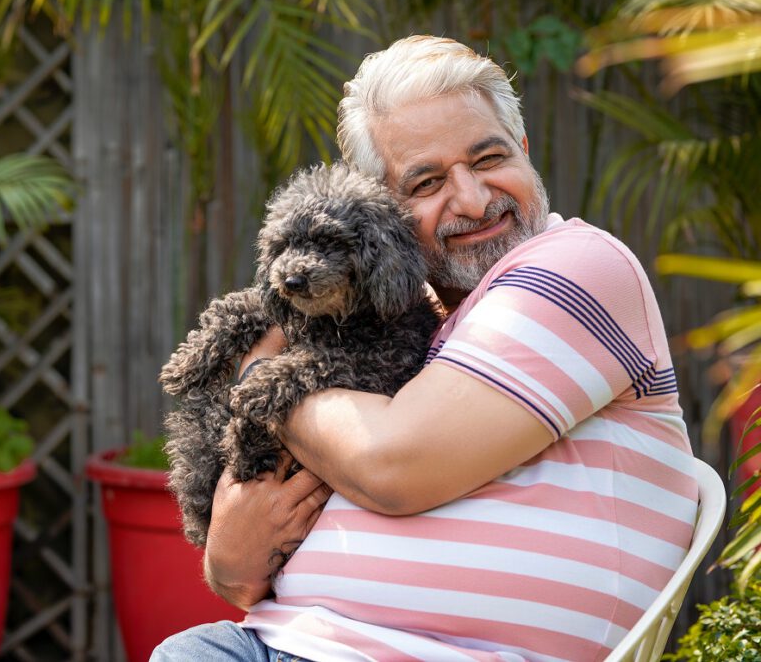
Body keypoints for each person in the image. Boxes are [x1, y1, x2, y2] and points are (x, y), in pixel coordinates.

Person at [152, 35, 698, 662]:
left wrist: (257, 368)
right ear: (380, 212)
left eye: (489, 158)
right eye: (428, 181)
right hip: (280, 642)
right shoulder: (403, 323)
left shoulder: (575, 265)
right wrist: (229, 554)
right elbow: (238, 579)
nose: (471, 198)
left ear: (523, 151)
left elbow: (391, 467)